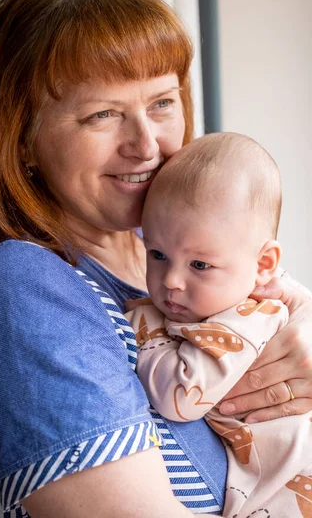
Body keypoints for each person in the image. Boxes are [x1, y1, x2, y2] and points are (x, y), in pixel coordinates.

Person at [0, 0, 312, 518]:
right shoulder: (14, 289)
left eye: (162, 103)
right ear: (22, 138)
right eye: (102, 114)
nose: (146, 144)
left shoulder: (181, 265)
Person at [127, 132, 312, 517]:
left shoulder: (248, 319)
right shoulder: (212, 302)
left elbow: (180, 398)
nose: (171, 280)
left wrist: (145, 328)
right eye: (158, 254)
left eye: (199, 265)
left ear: (263, 266)